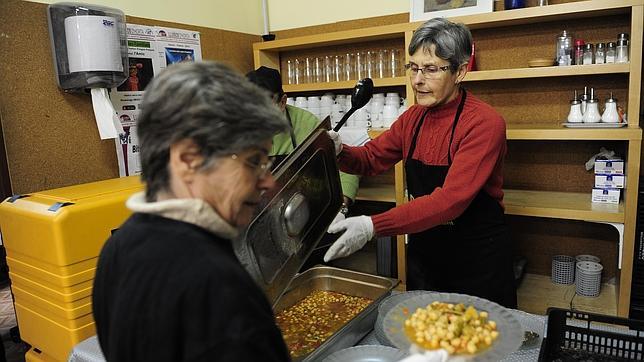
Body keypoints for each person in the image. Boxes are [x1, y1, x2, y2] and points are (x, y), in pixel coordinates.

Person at [92, 61, 291, 361]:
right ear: (188, 160)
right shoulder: (222, 291)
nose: (268, 180)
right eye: (254, 161)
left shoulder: (117, 248)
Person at [324, 18, 517, 308]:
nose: (417, 80)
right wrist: (339, 151)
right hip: (426, 255)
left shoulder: (484, 123)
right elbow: (371, 159)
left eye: (430, 69)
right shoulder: (412, 119)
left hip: (477, 261)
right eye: (413, 68)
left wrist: (372, 225)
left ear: (460, 71)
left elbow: (450, 201)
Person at [246, 66, 359, 218]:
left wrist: (341, 206)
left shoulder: (307, 123)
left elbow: (343, 168)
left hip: (301, 211)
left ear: (283, 101)